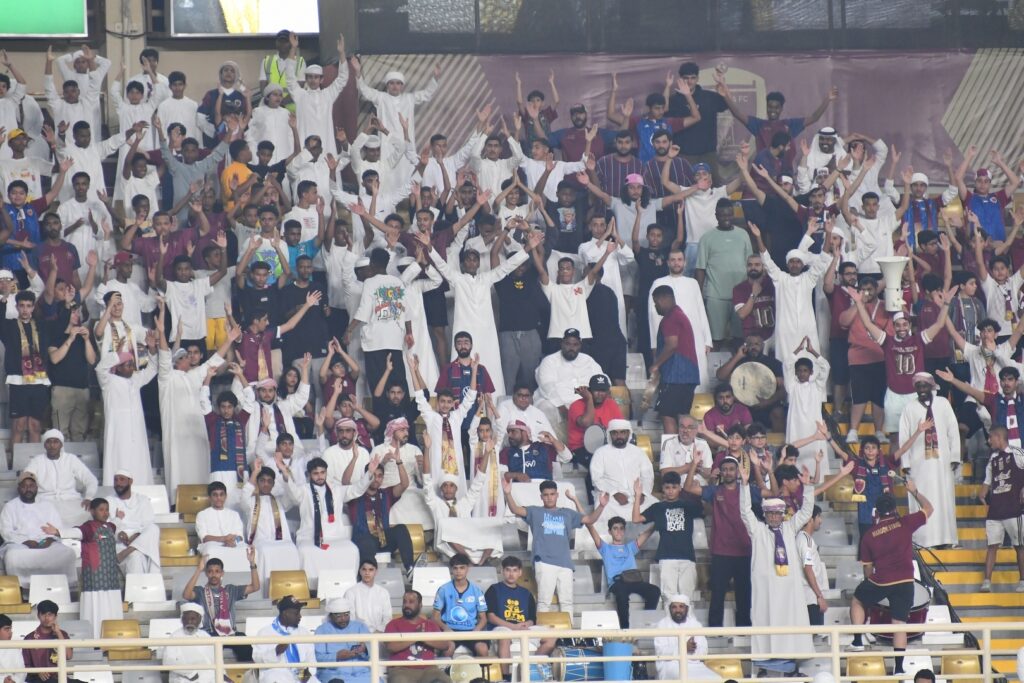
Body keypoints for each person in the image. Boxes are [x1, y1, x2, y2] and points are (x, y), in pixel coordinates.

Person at [419, 228, 541, 397]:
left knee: (491, 367)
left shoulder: (486, 278)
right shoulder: (458, 279)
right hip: (464, 333)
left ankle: (493, 404)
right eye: (468, 260)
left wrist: (527, 248)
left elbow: (507, 266)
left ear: (478, 264)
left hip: (486, 333)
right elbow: (442, 266)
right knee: (461, 369)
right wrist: (429, 247)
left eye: (474, 260)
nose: (471, 263)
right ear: (463, 264)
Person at [849, 484, 934, 674]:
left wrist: (870, 586)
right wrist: (914, 491)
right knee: (899, 624)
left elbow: (868, 569)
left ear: (876, 512)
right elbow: (929, 508)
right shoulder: (905, 522)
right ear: (895, 509)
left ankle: (857, 641)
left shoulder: (869, 536)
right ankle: (899, 668)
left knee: (858, 599)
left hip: (882, 580)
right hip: (906, 582)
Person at [739, 463, 815, 673]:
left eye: (777, 514)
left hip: (789, 588)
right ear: (765, 515)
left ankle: (792, 660)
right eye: (770, 514)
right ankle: (765, 662)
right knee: (766, 620)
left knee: (791, 621)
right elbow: (745, 512)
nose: (773, 517)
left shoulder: (790, 528)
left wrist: (808, 487)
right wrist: (744, 485)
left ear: (783, 514)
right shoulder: (757, 531)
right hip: (766, 588)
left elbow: (806, 512)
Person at [504, 478, 607, 619]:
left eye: (552, 494)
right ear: (541, 497)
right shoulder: (535, 511)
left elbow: (590, 519)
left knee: (567, 602)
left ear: (557, 495)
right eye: (546, 495)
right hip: (544, 562)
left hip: (565, 563)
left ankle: (568, 631)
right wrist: (508, 493)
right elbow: (515, 509)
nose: (549, 497)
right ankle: (540, 631)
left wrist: (601, 506)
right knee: (544, 601)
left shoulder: (567, 513)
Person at [897, 372, 961, 548]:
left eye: (925, 385)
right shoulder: (909, 408)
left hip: (942, 464)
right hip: (918, 465)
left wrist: (955, 456)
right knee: (921, 498)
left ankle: (946, 539)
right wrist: (905, 463)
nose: (922, 389)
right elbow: (904, 437)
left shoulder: (943, 403)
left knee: (944, 499)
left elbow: (953, 430)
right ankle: (923, 540)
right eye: (918, 386)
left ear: (931, 386)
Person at [290, 455, 372, 590]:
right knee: (305, 551)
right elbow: (293, 493)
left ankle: (347, 587)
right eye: (316, 473)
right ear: (309, 475)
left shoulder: (336, 490)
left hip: (336, 536)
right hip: (309, 537)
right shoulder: (303, 490)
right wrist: (286, 476)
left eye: (322, 472)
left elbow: (356, 490)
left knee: (352, 550)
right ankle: (311, 589)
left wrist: (370, 473)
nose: (320, 476)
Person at [44, 498, 122, 638]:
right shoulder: (88, 527)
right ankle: (95, 640)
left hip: (111, 579)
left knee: (112, 607)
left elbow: (115, 523)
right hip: (95, 579)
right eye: (101, 510)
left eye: (107, 510)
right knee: (96, 609)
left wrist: (119, 517)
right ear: (92, 511)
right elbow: (76, 532)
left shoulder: (110, 527)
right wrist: (57, 532)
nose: (105, 513)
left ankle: (113, 638)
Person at [96, 335, 159, 486]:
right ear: (118, 367)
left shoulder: (135, 380)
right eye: (127, 364)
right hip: (119, 434)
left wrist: (152, 349)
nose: (131, 367)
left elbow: (152, 369)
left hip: (137, 433)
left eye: (132, 364)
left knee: (139, 462)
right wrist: (116, 355)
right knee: (119, 462)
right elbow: (100, 369)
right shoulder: (108, 381)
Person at [484, 555, 557, 681]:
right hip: (502, 628)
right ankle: (506, 677)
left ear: (520, 572)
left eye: (514, 570)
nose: (511, 574)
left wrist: (526, 625)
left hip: (523, 628)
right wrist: (513, 627)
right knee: (505, 637)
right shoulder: (493, 590)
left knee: (551, 638)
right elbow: (491, 617)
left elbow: (532, 619)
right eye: (508, 570)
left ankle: (532, 669)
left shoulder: (527, 593)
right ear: (502, 571)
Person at [412, 352, 478, 487]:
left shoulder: (457, 416)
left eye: (449, 402)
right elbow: (419, 396)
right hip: (437, 467)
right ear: (437, 403)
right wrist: (413, 370)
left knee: (457, 496)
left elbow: (471, 396)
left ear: (453, 404)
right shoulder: (431, 417)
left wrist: (474, 370)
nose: (445, 405)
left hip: (455, 467)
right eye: (442, 401)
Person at [0, 472, 76, 588]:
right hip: (20, 544)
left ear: (36, 488)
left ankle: (60, 586)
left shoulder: (48, 506)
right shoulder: (10, 507)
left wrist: (49, 540)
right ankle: (20, 587)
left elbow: (57, 528)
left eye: (31, 486)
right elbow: (6, 531)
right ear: (19, 488)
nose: (28, 489)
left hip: (46, 543)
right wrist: (25, 542)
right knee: (12, 556)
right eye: (24, 486)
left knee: (68, 553)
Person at [636, 470, 704, 600]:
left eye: (674, 487)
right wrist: (638, 496)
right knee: (669, 598)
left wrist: (693, 493)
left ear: (679, 488)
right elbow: (636, 519)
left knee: (687, 598)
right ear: (662, 488)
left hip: (687, 556)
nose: (671, 491)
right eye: (667, 487)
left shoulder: (687, 505)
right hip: (666, 557)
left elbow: (704, 510)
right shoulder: (658, 507)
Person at [586, 515, 659, 629]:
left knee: (654, 591)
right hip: (617, 582)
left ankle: (646, 623)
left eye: (621, 528)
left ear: (624, 531)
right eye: (615, 528)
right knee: (622, 594)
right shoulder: (605, 548)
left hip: (634, 580)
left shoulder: (630, 547)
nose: (618, 531)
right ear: (610, 532)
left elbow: (647, 534)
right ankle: (625, 629)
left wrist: (657, 523)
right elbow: (590, 526)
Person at [182, 553, 258, 662]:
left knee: (244, 643)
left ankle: (246, 672)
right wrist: (198, 570)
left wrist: (252, 563)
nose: (214, 574)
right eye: (210, 571)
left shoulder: (231, 590)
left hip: (230, 634)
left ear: (222, 573)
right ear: (206, 573)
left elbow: (255, 587)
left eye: (217, 571)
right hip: (209, 635)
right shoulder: (200, 591)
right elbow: (186, 595)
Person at [977, 426, 1024, 592]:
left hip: (1014, 509)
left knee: (1019, 546)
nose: (989, 441)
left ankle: (1022, 581)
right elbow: (987, 481)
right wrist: (982, 493)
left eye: (991, 437)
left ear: (998, 437)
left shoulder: (1017, 453)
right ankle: (987, 581)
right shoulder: (993, 458)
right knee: (992, 545)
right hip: (995, 510)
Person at [650, 284, 703, 433]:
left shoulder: (671, 318)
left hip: (676, 375)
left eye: (656, 302)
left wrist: (656, 365)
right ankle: (682, 446)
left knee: (667, 415)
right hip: (688, 375)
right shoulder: (680, 314)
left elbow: (672, 344)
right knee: (681, 416)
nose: (656, 306)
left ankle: (671, 447)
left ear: (664, 298)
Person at [242, 464, 301, 592]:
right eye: (262, 481)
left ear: (273, 484)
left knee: (292, 549)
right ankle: (265, 591)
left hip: (282, 541)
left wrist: (284, 471)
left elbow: (294, 497)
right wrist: (255, 473)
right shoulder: (250, 502)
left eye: (269, 481)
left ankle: (291, 590)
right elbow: (244, 495)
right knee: (265, 551)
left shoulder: (280, 501)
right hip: (260, 543)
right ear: (257, 482)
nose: (266, 484)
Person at [23, 428, 97, 527]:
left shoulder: (71, 459)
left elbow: (91, 479)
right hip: (45, 502)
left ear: (61, 444)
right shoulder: (37, 461)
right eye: (49, 442)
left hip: (71, 502)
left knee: (90, 512)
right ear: (44, 445)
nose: (52, 445)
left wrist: (89, 497)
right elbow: (26, 478)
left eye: (55, 442)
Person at [384, 590, 455, 683]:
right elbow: (390, 647)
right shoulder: (393, 624)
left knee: (443, 680)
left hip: (429, 670)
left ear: (420, 605)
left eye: (411, 602)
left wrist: (423, 638)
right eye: (404, 602)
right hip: (400, 670)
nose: (406, 605)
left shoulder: (430, 624)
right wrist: (414, 638)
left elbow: (445, 645)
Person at [591, 419, 655, 523]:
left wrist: (643, 494)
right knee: (603, 509)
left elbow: (648, 476)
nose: (619, 436)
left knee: (654, 506)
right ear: (610, 434)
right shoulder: (600, 453)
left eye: (622, 432)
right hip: (611, 497)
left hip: (637, 495)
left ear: (628, 433)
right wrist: (615, 493)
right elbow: (597, 478)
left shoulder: (638, 452)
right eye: (615, 433)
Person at [432, 553, 489, 657]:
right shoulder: (443, 589)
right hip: (451, 630)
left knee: (483, 650)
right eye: (455, 568)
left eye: (462, 568)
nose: (458, 571)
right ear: (451, 570)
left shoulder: (477, 590)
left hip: (471, 630)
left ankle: (479, 669)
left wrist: (476, 630)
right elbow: (435, 616)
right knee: (447, 650)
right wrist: (446, 628)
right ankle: (446, 668)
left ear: (468, 569)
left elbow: (483, 618)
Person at [253, 595, 321, 683]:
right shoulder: (265, 632)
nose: (300, 616)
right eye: (296, 613)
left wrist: (308, 673)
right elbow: (257, 659)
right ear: (285, 613)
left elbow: (311, 660)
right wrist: (275, 652)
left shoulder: (304, 633)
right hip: (276, 674)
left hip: (301, 676)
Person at [652, 594, 721, 681]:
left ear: (687, 609)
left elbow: (703, 651)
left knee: (716, 679)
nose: (678, 610)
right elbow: (660, 651)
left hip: (695, 665)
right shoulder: (662, 625)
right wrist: (683, 648)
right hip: (671, 665)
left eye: (681, 607)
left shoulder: (695, 625)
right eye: (674, 607)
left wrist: (693, 649)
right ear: (669, 609)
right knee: (688, 679)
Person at [109, 470, 161, 574]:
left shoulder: (142, 499)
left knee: (154, 528)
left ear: (130, 481)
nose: (118, 483)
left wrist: (137, 535)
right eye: (116, 480)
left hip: (140, 540)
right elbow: (106, 527)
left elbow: (148, 524)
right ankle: (130, 551)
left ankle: (129, 550)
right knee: (136, 557)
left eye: (122, 479)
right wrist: (118, 534)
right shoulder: (109, 501)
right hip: (120, 545)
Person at [315, 597, 373, 682]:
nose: (343, 619)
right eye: (338, 616)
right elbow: (318, 658)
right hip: (335, 675)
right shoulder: (322, 630)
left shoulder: (360, 626)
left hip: (363, 674)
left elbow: (373, 650)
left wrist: (365, 649)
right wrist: (336, 656)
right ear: (330, 616)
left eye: (346, 615)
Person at [162, 603, 217, 683]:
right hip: (184, 678)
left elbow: (216, 660)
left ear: (199, 620)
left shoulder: (205, 636)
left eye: (193, 619)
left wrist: (223, 675)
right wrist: (190, 674)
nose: (189, 622)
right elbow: (168, 661)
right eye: (186, 619)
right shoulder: (175, 636)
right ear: (182, 620)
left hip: (208, 676)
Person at [22, 600, 73, 682]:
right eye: (43, 614)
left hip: (59, 678)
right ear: (38, 616)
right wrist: (38, 671)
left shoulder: (62, 634)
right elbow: (25, 665)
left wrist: (58, 633)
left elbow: (68, 656)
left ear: (55, 617)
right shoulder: (30, 638)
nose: (46, 618)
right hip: (37, 679)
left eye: (50, 614)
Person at [797, 505, 830, 628]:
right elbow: (808, 568)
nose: (821, 520)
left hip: (810, 596)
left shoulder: (804, 539)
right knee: (815, 635)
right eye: (819, 516)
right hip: (810, 598)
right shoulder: (805, 541)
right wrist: (819, 596)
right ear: (810, 519)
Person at [345, 558, 393, 633]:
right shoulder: (351, 592)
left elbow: (387, 617)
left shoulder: (383, 592)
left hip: (378, 634)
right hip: (357, 635)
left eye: (371, 570)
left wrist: (378, 631)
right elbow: (350, 619)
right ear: (360, 571)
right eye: (364, 569)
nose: (367, 573)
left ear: (376, 572)